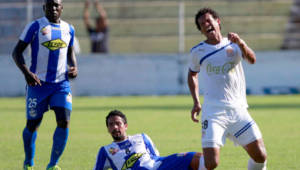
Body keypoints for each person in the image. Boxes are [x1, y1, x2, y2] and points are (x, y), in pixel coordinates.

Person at [187, 8, 267, 170]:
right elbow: (192, 75)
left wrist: (241, 43)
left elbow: (252, 60)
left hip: (238, 111)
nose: (206, 25)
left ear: (218, 21)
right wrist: (196, 102)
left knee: (260, 156)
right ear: (201, 30)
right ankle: (182, 163)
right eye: (202, 24)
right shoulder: (198, 52)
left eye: (208, 21)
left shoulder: (234, 44)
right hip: (214, 113)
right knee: (211, 163)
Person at [12, 0, 78, 169]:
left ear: (62, 8)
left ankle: (53, 165)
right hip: (37, 84)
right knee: (32, 125)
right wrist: (27, 73)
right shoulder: (34, 27)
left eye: (57, 5)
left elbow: (70, 52)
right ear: (44, 8)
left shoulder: (69, 29)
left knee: (64, 122)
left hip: (61, 84)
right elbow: (16, 52)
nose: (53, 8)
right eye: (50, 5)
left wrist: (74, 67)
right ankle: (28, 162)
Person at [93, 110, 207, 170]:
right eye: (111, 125)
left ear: (126, 126)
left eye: (118, 123)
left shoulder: (141, 137)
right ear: (108, 129)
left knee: (198, 158)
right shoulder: (106, 151)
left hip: (158, 167)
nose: (115, 127)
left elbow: (156, 156)